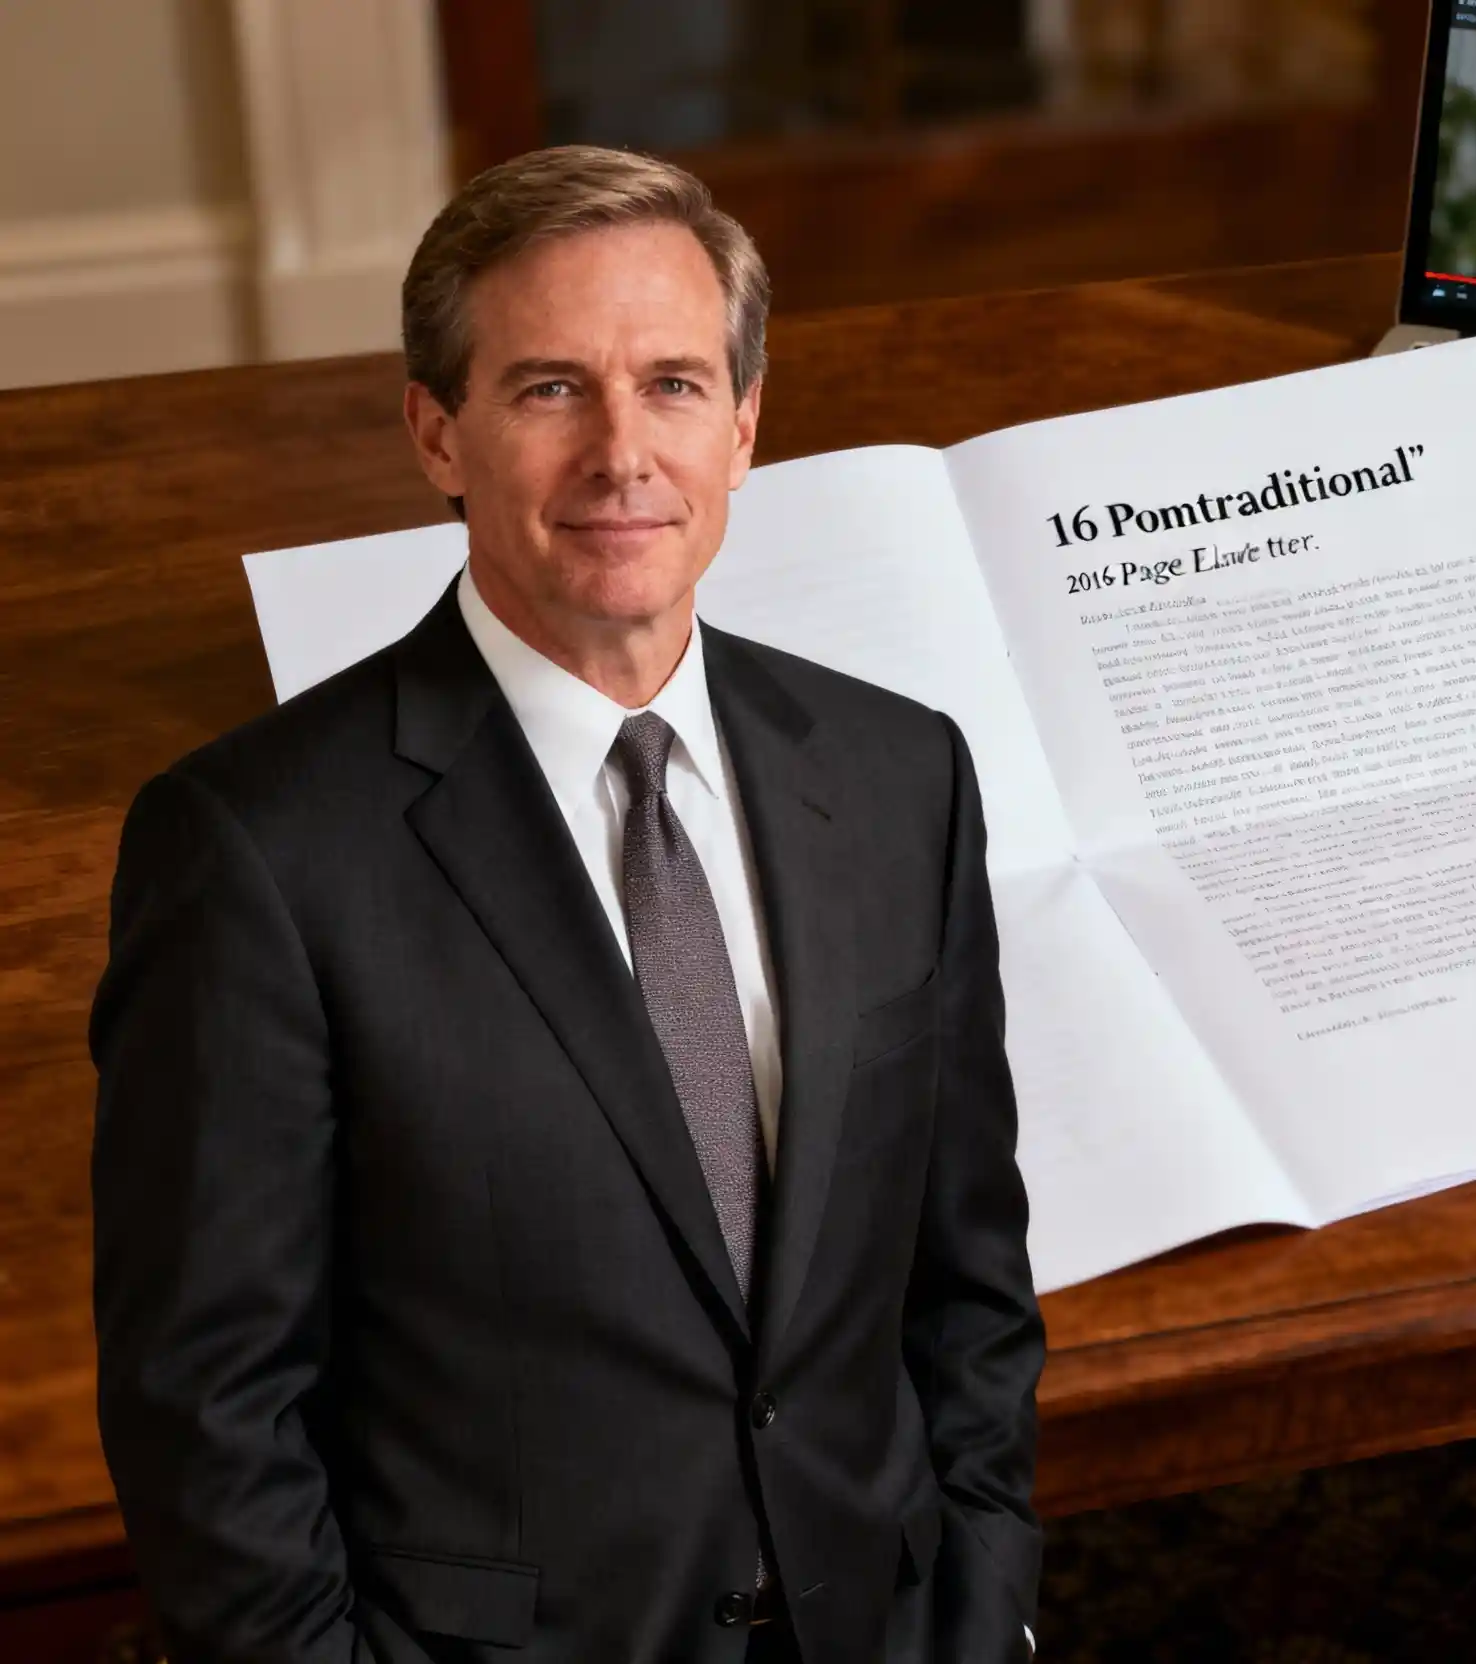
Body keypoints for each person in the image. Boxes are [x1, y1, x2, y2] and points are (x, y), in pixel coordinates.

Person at [89, 146, 1043, 1663]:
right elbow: (205, 1409)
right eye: (547, 389)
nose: (621, 454)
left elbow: (968, 1273)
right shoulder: (253, 853)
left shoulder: (898, 776)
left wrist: (986, 1599)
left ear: (743, 425)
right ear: (436, 433)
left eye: (671, 384)